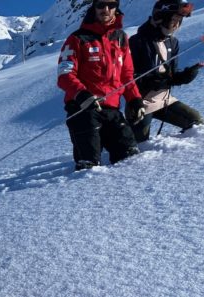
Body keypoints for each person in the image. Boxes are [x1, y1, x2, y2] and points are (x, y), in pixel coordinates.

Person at [57, 0, 143, 170]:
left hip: (112, 110)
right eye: (101, 5)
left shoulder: (120, 38)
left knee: (130, 158)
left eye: (111, 5)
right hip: (83, 109)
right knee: (89, 165)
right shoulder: (77, 39)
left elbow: (126, 74)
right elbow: (64, 75)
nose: (106, 9)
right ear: (93, 7)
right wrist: (81, 94)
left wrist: (134, 99)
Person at [128, 1, 204, 142]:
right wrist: (155, 81)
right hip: (141, 103)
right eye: (173, 19)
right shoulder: (137, 42)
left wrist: (185, 76)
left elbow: (171, 74)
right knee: (136, 147)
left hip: (164, 100)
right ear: (160, 18)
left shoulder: (172, 42)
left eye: (179, 20)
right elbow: (129, 77)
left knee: (197, 123)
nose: (176, 24)